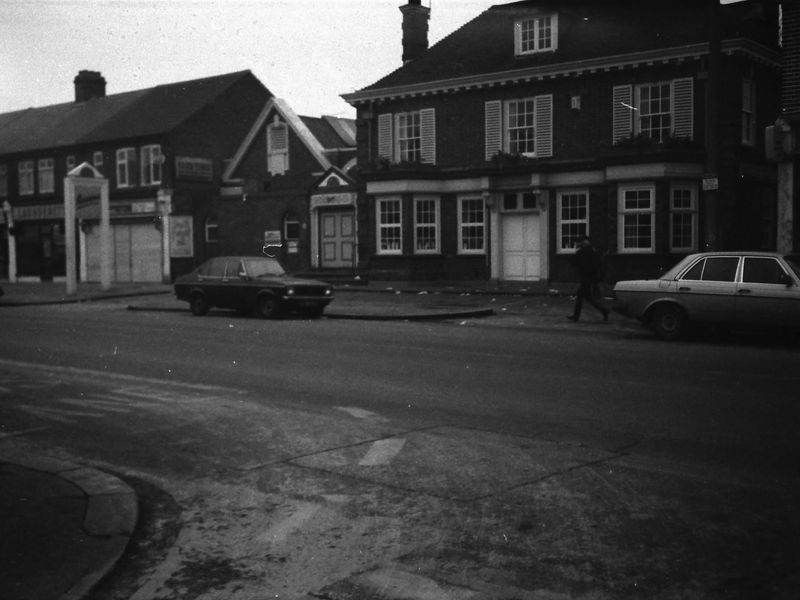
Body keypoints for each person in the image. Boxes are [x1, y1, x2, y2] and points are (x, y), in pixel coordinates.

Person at [568, 235, 609, 322]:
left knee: (581, 296)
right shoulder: (593, 251)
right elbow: (598, 264)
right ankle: (604, 311)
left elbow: (573, 263)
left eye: (578, 242)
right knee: (587, 297)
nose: (577, 244)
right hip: (591, 278)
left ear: (582, 242)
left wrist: (576, 251)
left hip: (586, 278)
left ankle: (576, 316)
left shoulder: (581, 252)